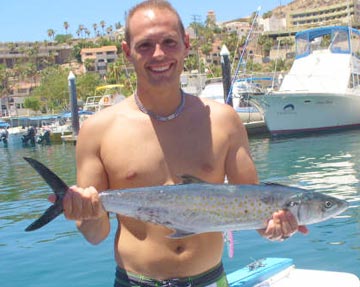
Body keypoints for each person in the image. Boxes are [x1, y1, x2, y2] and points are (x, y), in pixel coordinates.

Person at [56, 1, 308, 286]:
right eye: (145, 45)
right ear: (127, 52)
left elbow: (256, 215)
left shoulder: (224, 121)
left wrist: (278, 228)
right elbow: (95, 235)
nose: (159, 54)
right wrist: (84, 212)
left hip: (210, 279)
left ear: (186, 44)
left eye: (168, 42)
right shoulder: (96, 131)